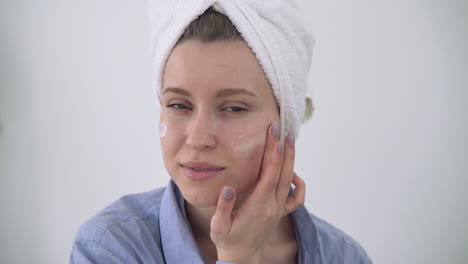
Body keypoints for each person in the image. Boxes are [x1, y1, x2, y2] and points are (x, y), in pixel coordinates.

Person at [70, 2, 372, 263]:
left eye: (234, 109)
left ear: (286, 122)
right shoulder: (110, 248)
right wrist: (237, 258)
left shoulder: (344, 257)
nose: (198, 138)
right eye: (179, 105)